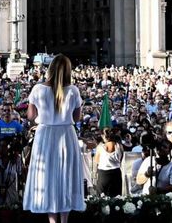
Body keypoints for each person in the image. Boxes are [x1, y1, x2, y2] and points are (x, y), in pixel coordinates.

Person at [22, 54, 86, 223]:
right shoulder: (73, 90)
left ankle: (52, 220)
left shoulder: (38, 89)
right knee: (65, 176)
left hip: (45, 136)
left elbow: (30, 115)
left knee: (47, 176)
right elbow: (77, 117)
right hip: (66, 135)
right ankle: (64, 220)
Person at [94, 127, 124, 197]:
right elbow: (121, 159)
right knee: (116, 198)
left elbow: (97, 160)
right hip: (116, 173)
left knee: (102, 198)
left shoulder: (100, 147)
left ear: (102, 136)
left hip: (103, 174)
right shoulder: (119, 146)